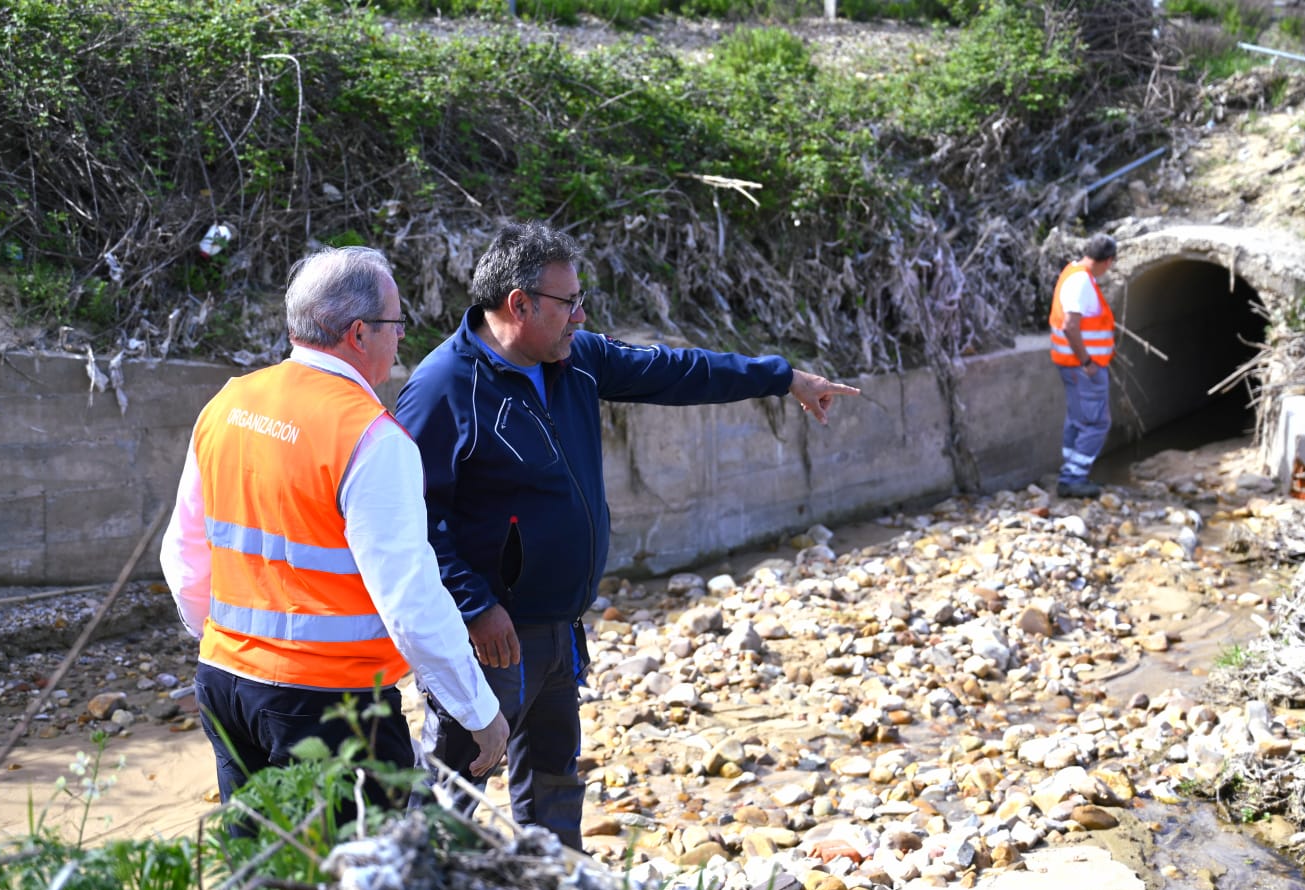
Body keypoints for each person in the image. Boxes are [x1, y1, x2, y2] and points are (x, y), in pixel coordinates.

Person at [393, 221, 860, 851]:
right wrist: (474, 606)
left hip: (560, 628)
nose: (582, 315)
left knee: (554, 786)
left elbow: (679, 371)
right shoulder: (444, 388)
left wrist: (781, 378)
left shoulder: (575, 358)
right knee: (453, 792)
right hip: (490, 641)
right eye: (569, 303)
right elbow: (410, 519)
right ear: (519, 304)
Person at [159, 246, 509, 820]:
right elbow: (411, 600)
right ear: (358, 334)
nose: (401, 339)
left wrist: (226, 645)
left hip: (224, 684)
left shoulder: (229, 404)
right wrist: (477, 711)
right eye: (396, 324)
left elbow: (184, 555)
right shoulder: (371, 439)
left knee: (263, 883)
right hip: (329, 708)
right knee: (365, 888)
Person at [1049, 233, 1118, 499]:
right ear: (1108, 261)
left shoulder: (1073, 272)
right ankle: (1073, 478)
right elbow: (1070, 324)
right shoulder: (1080, 282)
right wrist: (1087, 361)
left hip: (1071, 364)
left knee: (1078, 419)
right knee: (1096, 422)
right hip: (1083, 367)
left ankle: (1071, 470)